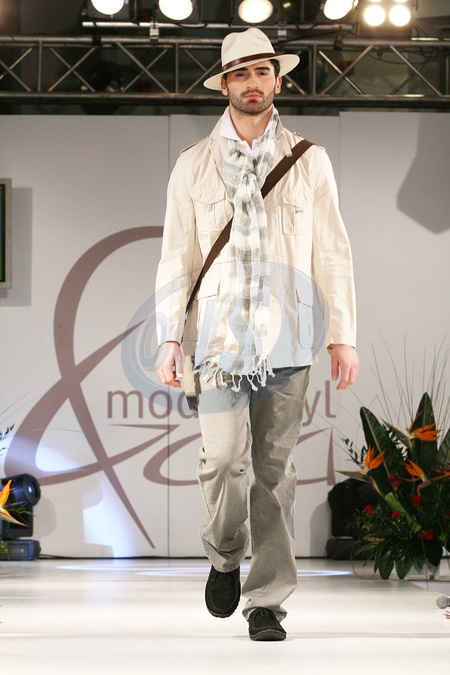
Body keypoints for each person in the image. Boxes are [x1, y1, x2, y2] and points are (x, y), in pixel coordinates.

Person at [155, 27, 359, 641]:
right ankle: (224, 554)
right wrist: (169, 336)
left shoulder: (309, 159)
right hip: (218, 341)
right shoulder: (193, 163)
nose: (252, 83)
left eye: (262, 71)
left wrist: (342, 334)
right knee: (223, 461)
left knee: (275, 474)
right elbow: (176, 258)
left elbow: (332, 251)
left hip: (287, 339)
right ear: (224, 84)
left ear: (278, 79)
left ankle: (266, 601)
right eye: (240, 73)